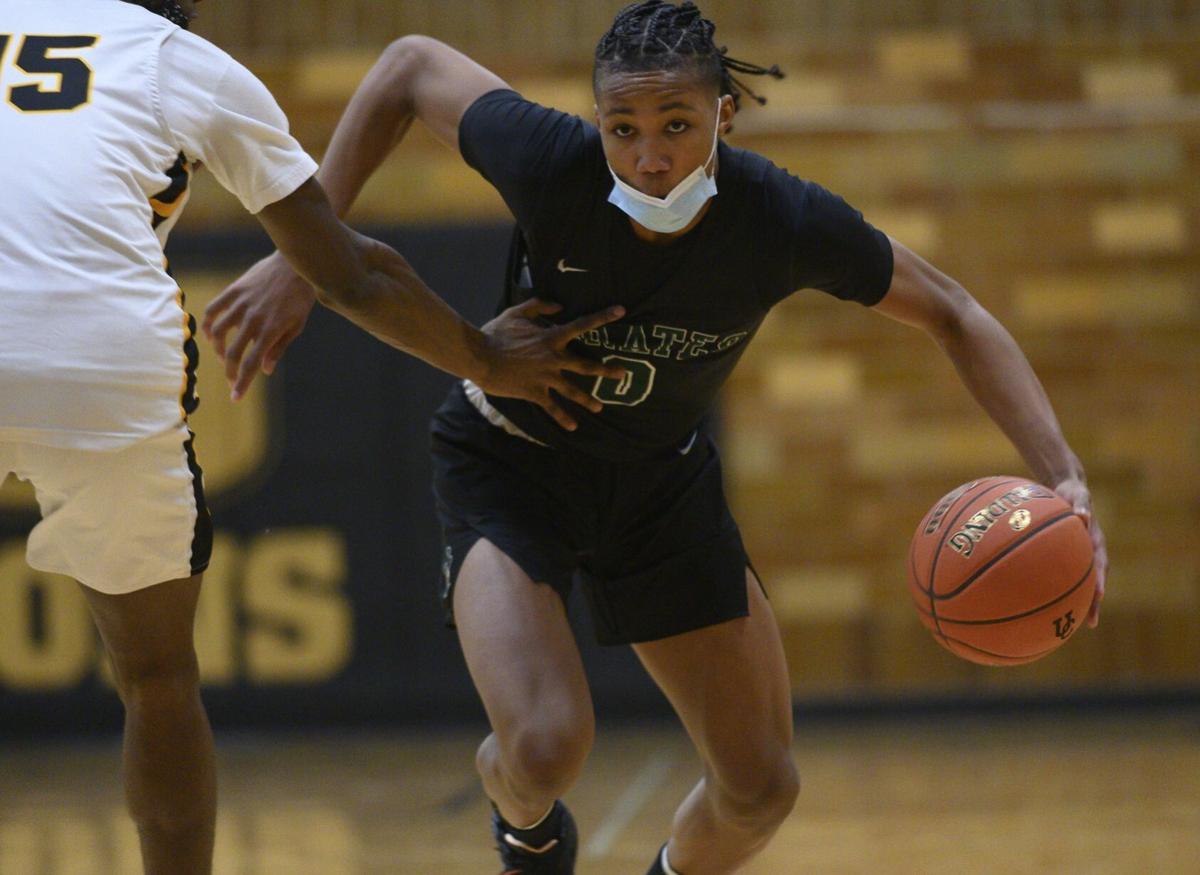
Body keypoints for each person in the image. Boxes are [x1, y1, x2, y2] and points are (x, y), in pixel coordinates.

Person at [208, 2, 1110, 873]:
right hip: (510, 465)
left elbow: (954, 311)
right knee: (545, 746)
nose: (647, 158)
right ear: (595, 123)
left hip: (659, 486)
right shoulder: (551, 161)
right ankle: (522, 826)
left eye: (676, 124)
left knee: (759, 789)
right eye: (622, 128)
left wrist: (1062, 474)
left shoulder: (780, 218)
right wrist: (302, 252)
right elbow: (406, 63)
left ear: (724, 113)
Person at [0, 1, 624, 873]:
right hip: (95, 356)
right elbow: (352, 275)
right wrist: (486, 357)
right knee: (154, 678)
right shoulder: (173, 56)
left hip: (85, 348)